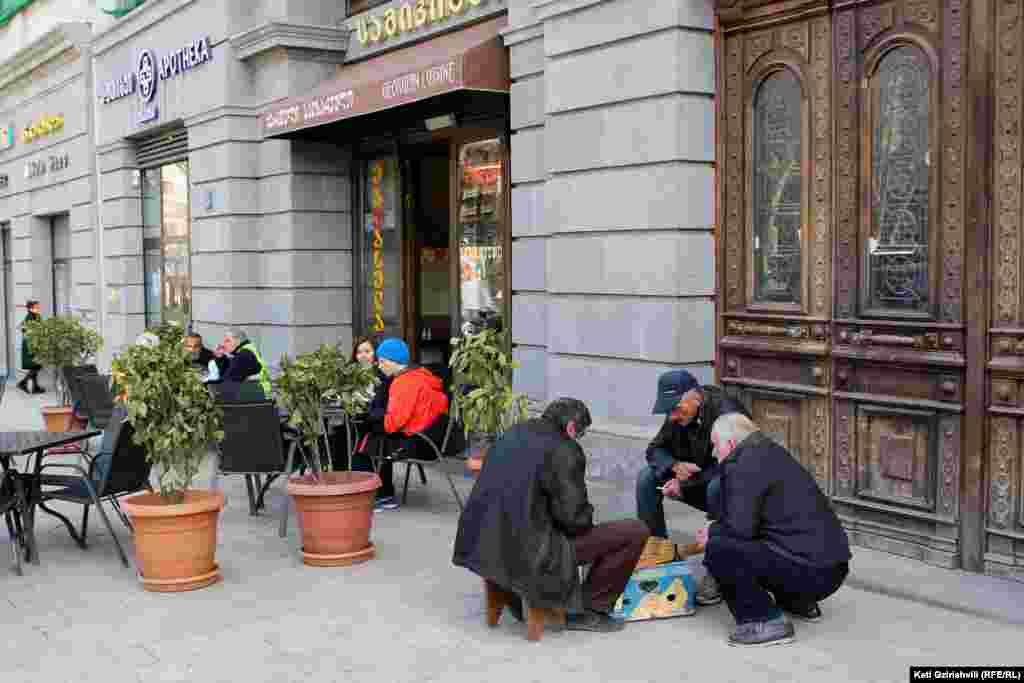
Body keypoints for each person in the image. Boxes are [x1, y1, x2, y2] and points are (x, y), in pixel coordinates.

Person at [454, 398, 649, 633]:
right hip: (532, 551)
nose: (579, 440)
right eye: (582, 433)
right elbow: (575, 521)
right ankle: (586, 610)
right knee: (634, 531)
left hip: (484, 541)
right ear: (570, 428)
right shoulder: (566, 449)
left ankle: (520, 593)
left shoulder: (513, 433)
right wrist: (585, 513)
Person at [698, 413, 851, 647]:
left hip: (812, 573)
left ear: (729, 444)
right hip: (833, 569)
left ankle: (765, 621)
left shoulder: (743, 463)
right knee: (740, 538)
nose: (713, 453)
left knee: (720, 547)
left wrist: (711, 534)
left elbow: (739, 530)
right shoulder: (770, 452)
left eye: (715, 445)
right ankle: (797, 602)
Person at [635, 369, 750, 606]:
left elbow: (735, 468)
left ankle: (717, 569)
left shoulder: (727, 414)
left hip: (733, 491)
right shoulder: (678, 414)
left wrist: (685, 483)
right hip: (696, 482)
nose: (673, 416)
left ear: (696, 397)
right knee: (646, 478)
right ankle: (658, 553)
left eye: (676, 409)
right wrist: (673, 465)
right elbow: (654, 450)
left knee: (718, 487)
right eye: (669, 411)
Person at [359, 338, 447, 511]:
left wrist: (371, 417)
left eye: (383, 361)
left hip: (420, 444)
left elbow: (392, 424)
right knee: (375, 433)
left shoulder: (403, 383)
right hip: (434, 439)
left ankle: (382, 495)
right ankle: (384, 493)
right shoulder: (422, 375)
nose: (379, 366)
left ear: (394, 362)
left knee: (372, 440)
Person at [216, 328, 271, 398]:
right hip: (262, 395)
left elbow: (227, 381)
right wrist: (221, 358)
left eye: (227, 341)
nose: (223, 345)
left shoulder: (243, 356)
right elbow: (232, 370)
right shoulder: (249, 349)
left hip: (257, 398)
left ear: (238, 341)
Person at [17, 300, 44, 394]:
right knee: (36, 365)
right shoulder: (29, 317)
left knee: (35, 365)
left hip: (35, 343)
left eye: (38, 307)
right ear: (30, 308)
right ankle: (23, 383)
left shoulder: (35, 316)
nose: (38, 308)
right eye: (36, 307)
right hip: (30, 344)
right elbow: (24, 329)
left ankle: (35, 387)